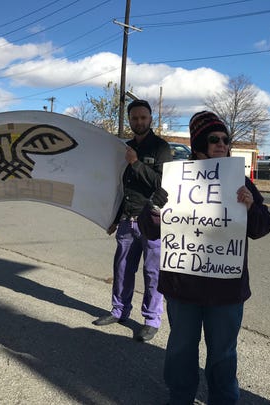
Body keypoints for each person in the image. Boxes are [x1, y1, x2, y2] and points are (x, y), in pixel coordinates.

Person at [139, 111, 270, 404]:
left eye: (226, 139)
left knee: (223, 353)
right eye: (214, 139)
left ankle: (224, 399)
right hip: (182, 286)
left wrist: (252, 209)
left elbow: (263, 227)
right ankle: (180, 397)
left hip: (226, 290)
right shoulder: (175, 181)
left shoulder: (241, 183)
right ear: (199, 145)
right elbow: (149, 229)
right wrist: (153, 208)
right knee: (181, 349)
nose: (221, 144)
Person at [92, 99, 173, 342]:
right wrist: (114, 218)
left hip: (152, 221)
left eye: (143, 117)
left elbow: (163, 185)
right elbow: (121, 187)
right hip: (127, 220)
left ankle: (151, 320)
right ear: (129, 120)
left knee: (152, 273)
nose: (139, 121)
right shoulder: (124, 148)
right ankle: (119, 311)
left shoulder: (161, 148)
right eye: (134, 118)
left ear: (150, 119)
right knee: (123, 269)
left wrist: (136, 163)